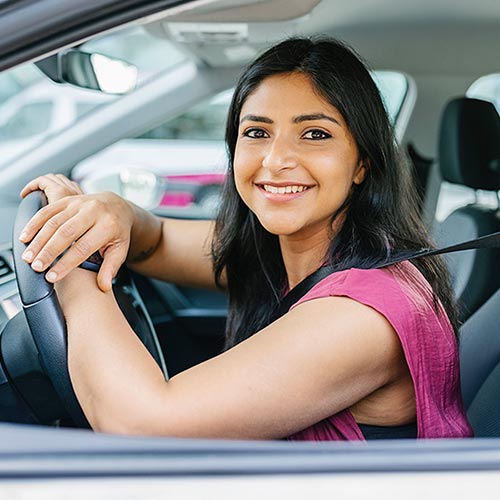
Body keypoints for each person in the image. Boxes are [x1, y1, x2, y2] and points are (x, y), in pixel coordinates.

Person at [19, 37, 472, 440]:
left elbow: (143, 422)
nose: (275, 161)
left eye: (314, 134)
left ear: (361, 164)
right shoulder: (288, 253)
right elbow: (154, 241)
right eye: (256, 132)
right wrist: (112, 211)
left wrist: (66, 262)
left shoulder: (362, 315)